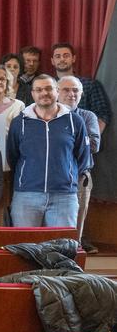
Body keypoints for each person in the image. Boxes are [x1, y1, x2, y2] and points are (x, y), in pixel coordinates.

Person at [7, 75, 89, 227]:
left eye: (49, 88)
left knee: (61, 242)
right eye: (39, 90)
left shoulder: (75, 121)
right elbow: (13, 156)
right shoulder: (19, 122)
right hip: (26, 195)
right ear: (33, 94)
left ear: (57, 91)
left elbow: (82, 157)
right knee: (24, 242)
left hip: (64, 196)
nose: (44, 93)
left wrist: (66, 178)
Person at [57, 76, 101, 250]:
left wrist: (63, 140)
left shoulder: (88, 116)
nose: (71, 94)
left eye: (75, 90)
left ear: (81, 94)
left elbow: (94, 145)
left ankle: (73, 260)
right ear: (57, 92)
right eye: (66, 90)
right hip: (53, 177)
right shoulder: (48, 116)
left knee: (75, 229)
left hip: (80, 178)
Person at [51, 42, 111, 132]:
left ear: (73, 58)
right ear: (52, 61)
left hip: (83, 135)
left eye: (66, 56)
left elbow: (103, 114)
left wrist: (90, 137)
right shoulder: (48, 87)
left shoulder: (90, 84)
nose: (62, 59)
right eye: (58, 56)